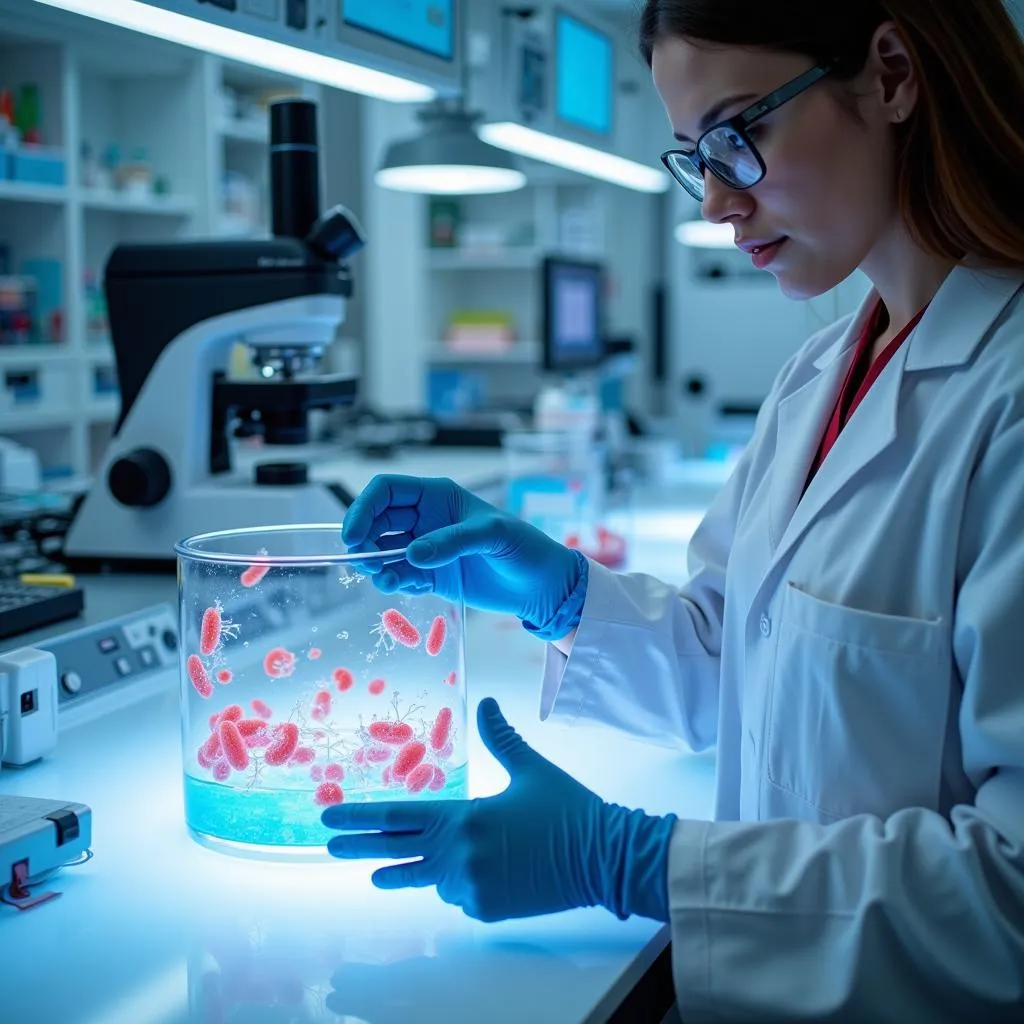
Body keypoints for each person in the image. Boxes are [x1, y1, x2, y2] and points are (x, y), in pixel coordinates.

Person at [321, 1, 1024, 1018]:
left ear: (891, 73)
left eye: (737, 137)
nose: (714, 203)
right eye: (694, 154)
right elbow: (743, 658)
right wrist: (561, 592)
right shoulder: (820, 373)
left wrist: (636, 863)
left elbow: (1010, 897)